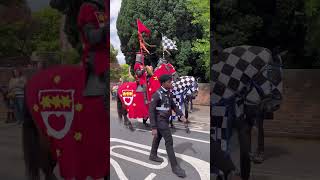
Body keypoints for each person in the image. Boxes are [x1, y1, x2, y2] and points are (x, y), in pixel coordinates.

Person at [149, 74, 187, 178]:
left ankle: (152, 155)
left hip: (165, 120)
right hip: (160, 121)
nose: (171, 83)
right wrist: (153, 127)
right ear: (163, 83)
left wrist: (181, 115)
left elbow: (174, 106)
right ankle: (175, 167)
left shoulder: (169, 94)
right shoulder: (157, 94)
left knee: (158, 138)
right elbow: (151, 111)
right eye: (169, 82)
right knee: (169, 142)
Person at [78, 0, 109, 110]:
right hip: (98, 55)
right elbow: (92, 37)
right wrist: (107, 28)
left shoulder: (107, 7)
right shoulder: (89, 7)